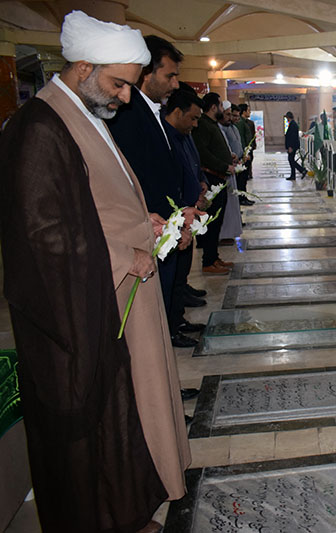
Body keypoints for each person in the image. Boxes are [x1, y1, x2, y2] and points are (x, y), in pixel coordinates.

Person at [0, 11, 190, 531]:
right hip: (84, 307)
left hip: (116, 294)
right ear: (84, 68)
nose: (126, 96)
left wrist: (144, 222)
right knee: (96, 425)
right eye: (119, 84)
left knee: (125, 415)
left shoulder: (82, 114)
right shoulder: (37, 127)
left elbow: (96, 202)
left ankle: (127, 513)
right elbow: (42, 236)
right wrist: (123, 257)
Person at [106, 34, 203, 349]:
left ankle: (171, 335)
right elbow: (132, 179)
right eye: (170, 75)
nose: (175, 84)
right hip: (150, 230)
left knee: (165, 299)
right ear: (146, 73)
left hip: (164, 227)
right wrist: (162, 222)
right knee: (149, 320)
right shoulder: (128, 115)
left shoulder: (152, 112)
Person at [163, 87, 209, 340]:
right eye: (192, 118)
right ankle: (172, 328)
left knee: (181, 272)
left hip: (187, 213)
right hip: (175, 216)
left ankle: (178, 319)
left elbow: (193, 164)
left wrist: (200, 184)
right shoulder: (166, 137)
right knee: (172, 275)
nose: (194, 124)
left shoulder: (183, 136)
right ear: (178, 112)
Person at [192, 91, 235, 274]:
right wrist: (223, 165)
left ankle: (214, 257)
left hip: (219, 177)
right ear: (213, 107)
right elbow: (203, 153)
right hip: (212, 177)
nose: (222, 109)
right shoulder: (203, 124)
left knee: (217, 221)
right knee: (212, 221)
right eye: (220, 105)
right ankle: (208, 261)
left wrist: (228, 157)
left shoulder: (211, 124)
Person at [217, 100, 243, 241]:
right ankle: (225, 234)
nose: (230, 118)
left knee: (232, 204)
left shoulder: (230, 127)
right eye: (227, 114)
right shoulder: (218, 128)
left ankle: (231, 232)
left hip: (231, 167)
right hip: (222, 170)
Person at [284, 110, 305, 180]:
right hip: (292, 146)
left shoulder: (293, 124)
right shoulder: (292, 124)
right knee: (291, 160)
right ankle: (293, 175)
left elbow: (292, 137)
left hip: (292, 146)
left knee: (291, 160)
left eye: (287, 118)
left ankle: (302, 170)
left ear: (288, 117)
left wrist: (290, 147)